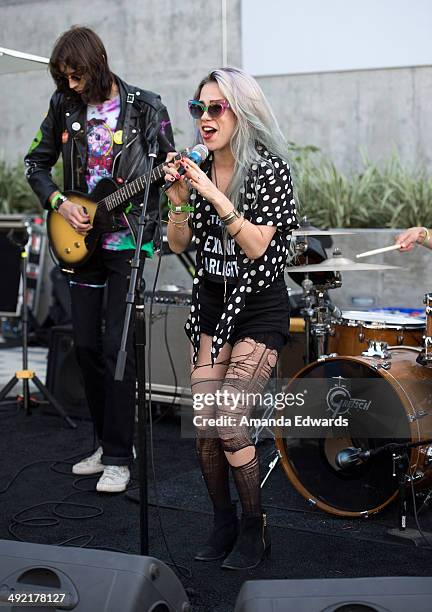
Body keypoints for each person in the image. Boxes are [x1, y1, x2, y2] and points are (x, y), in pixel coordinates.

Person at [25, 26, 174, 493]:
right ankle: (104, 443)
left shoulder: (147, 108)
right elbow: (35, 163)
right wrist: (60, 205)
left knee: (118, 349)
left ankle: (117, 456)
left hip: (128, 245)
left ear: (98, 63)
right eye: (64, 79)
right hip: (79, 244)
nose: (71, 86)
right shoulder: (62, 107)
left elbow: (171, 172)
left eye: (77, 76)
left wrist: (160, 221)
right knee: (85, 346)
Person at [164, 67, 298, 569]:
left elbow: (258, 245)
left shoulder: (269, 171)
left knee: (230, 422)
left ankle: (254, 524)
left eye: (215, 108)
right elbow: (180, 245)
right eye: (198, 108)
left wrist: (212, 191)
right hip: (212, 307)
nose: (204, 118)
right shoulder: (197, 171)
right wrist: (179, 203)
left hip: (257, 307)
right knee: (204, 427)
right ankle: (221, 521)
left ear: (241, 113)